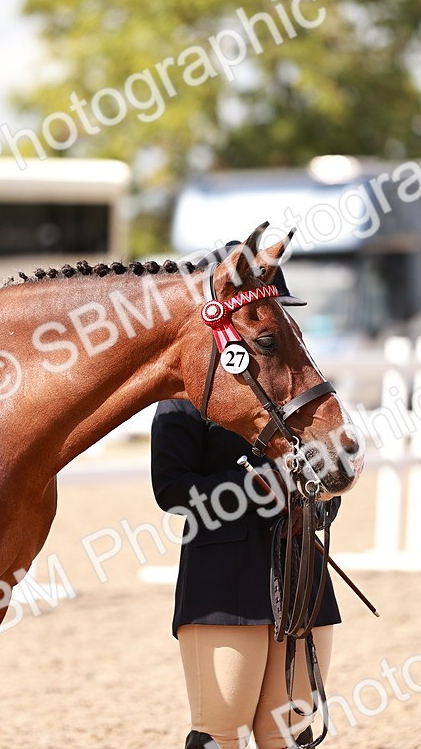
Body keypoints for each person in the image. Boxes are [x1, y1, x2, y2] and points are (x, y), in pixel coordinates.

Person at [151, 251, 341, 749]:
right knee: (219, 735)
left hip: (300, 575)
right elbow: (170, 490)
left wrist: (315, 497)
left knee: (291, 734)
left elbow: (329, 487)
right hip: (223, 584)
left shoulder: (298, 395)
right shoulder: (185, 400)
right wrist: (252, 490)